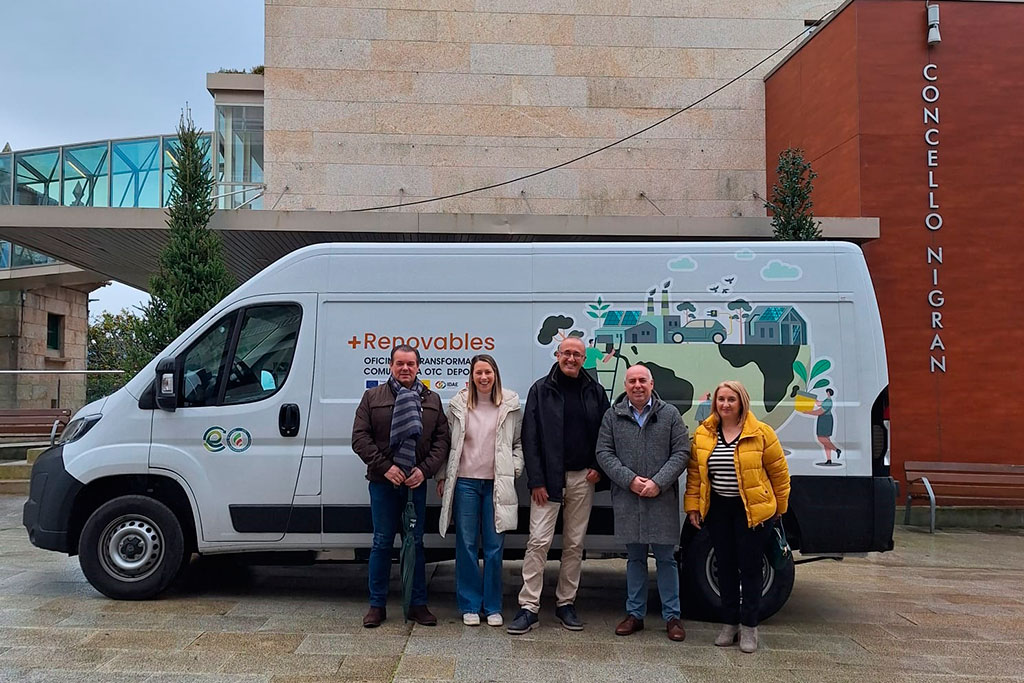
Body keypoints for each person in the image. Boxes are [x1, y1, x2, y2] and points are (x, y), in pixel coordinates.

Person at [507, 336, 611, 635]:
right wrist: (536, 480)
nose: (571, 359)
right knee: (538, 542)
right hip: (548, 481)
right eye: (566, 353)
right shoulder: (541, 390)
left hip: (582, 478)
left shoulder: (595, 391)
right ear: (557, 355)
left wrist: (597, 466)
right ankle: (529, 607)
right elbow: (530, 438)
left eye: (577, 354)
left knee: (574, 544)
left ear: (584, 359)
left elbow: (606, 433)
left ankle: (566, 603)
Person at [684, 380, 790, 653]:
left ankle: (750, 628)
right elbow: (695, 474)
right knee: (726, 567)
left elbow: (779, 474)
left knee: (751, 569)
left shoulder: (761, 432)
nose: (725, 404)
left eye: (731, 399)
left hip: (752, 511)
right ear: (714, 403)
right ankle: (729, 624)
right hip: (718, 509)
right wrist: (693, 507)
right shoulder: (704, 433)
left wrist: (779, 509)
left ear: (742, 402)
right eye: (721, 399)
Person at [352, 344, 451, 628]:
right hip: (383, 483)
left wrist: (424, 470)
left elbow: (442, 440)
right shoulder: (372, 397)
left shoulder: (432, 400)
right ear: (391, 366)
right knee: (382, 543)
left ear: (418, 367)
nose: (405, 368)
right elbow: (360, 438)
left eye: (410, 364)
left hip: (415, 485)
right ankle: (377, 605)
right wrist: (387, 468)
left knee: (415, 544)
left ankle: (418, 604)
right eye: (400, 364)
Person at [596, 365, 689, 642]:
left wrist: (658, 482)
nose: (637, 385)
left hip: (661, 498)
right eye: (632, 381)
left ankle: (672, 617)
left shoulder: (670, 414)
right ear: (625, 386)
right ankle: (635, 614)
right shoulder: (613, 416)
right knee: (634, 559)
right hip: (629, 497)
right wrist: (630, 480)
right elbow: (604, 452)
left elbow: (682, 452)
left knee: (666, 559)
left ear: (652, 384)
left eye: (642, 381)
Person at [437, 355, 524, 627]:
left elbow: (518, 443)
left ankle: (493, 606)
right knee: (466, 545)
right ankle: (470, 605)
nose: (484, 377)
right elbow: (447, 444)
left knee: (495, 547)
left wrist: (514, 468)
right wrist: (442, 476)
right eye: (478, 373)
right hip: (466, 483)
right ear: (471, 376)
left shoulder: (510, 404)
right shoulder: (458, 405)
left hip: (496, 484)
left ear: (495, 374)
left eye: (488, 372)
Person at [812, 388, 841, 463]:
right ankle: (829, 459)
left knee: (821, 438)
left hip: (825, 420)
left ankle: (836, 450)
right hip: (825, 419)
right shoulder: (827, 400)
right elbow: (818, 403)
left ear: (828, 393)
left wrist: (808, 412)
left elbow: (819, 411)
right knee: (827, 441)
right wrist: (813, 398)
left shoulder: (828, 401)